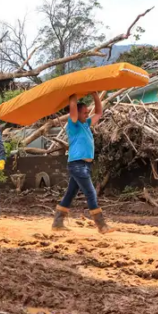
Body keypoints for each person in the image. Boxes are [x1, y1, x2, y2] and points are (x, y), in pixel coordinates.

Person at [52, 93, 112, 233]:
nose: (87, 114)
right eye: (84, 113)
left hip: (84, 165)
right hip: (77, 164)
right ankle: (101, 225)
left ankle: (57, 223)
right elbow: (72, 107)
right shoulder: (73, 125)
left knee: (70, 193)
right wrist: (73, 93)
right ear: (77, 113)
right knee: (91, 193)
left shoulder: (86, 124)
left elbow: (98, 112)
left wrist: (95, 94)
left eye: (86, 112)